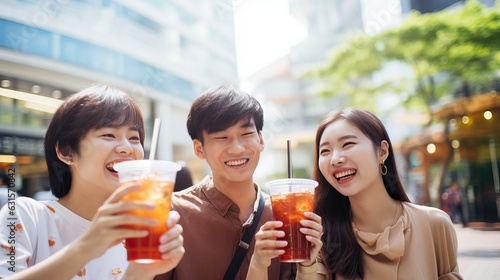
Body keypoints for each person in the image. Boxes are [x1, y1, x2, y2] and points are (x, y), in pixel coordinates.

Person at [0, 84, 184, 279]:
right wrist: (86, 247)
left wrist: (140, 272)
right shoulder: (25, 216)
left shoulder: (139, 237)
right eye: (108, 135)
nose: (127, 148)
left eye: (134, 137)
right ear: (66, 151)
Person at [154, 85, 322, 280]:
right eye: (222, 137)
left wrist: (308, 264)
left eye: (246, 134)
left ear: (260, 139)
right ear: (199, 149)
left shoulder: (283, 213)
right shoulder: (172, 212)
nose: (236, 148)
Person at [312, 108, 462, 279]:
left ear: (382, 151)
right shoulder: (323, 238)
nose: (335, 159)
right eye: (325, 151)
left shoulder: (434, 224)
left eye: (348, 144)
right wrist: (306, 264)